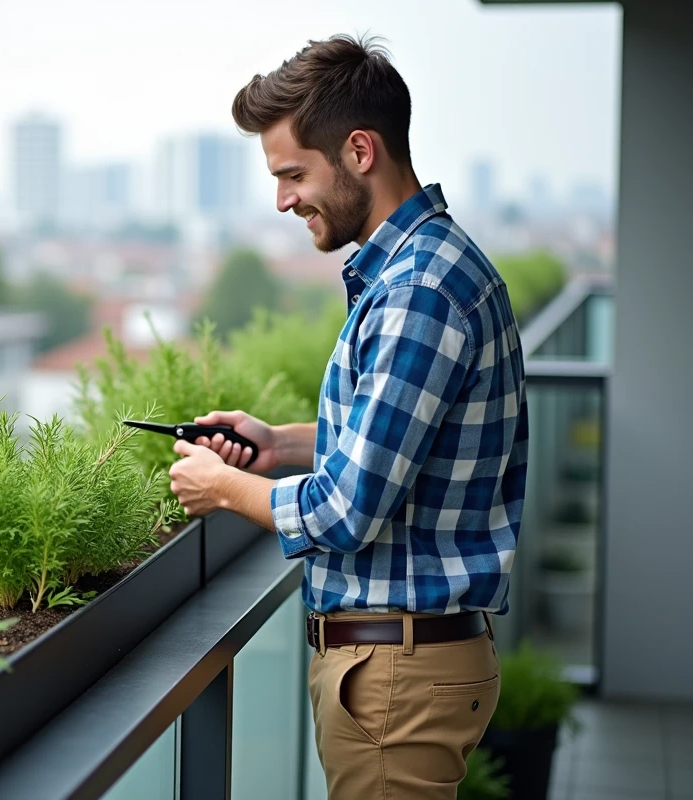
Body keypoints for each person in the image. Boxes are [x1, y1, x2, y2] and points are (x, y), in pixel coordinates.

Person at [167, 34, 527, 800]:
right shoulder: (425, 267)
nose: (282, 199)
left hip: (398, 677)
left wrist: (221, 488)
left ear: (360, 150)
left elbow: (345, 509)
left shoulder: (418, 290)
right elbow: (399, 446)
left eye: (293, 174)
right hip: (402, 668)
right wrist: (278, 444)